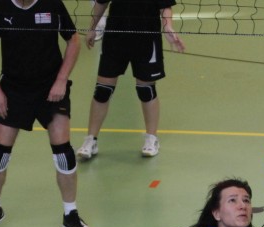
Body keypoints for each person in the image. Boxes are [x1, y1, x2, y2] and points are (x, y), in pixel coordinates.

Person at [0, 0, 91, 227]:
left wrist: (62, 80)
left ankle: (70, 214)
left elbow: (73, 40)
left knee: (63, 154)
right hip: (13, 88)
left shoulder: (52, 4)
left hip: (50, 87)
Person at [76, 0, 184, 161]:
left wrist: (168, 26)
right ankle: (91, 140)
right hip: (115, 36)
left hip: (146, 37)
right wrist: (92, 28)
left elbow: (165, 5)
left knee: (146, 90)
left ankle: (151, 138)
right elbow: (101, 2)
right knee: (102, 90)